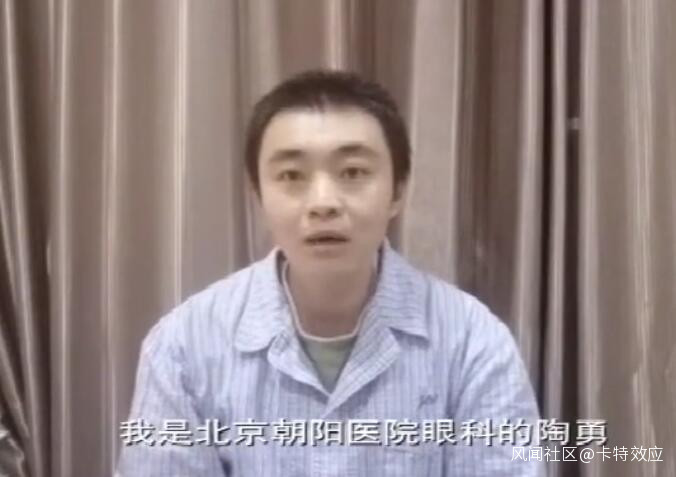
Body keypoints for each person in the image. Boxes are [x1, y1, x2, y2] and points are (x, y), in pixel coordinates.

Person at [116, 70, 544, 476]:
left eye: (353, 172)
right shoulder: (183, 345)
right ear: (258, 195)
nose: (323, 203)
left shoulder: (472, 341)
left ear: (397, 191)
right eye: (291, 176)